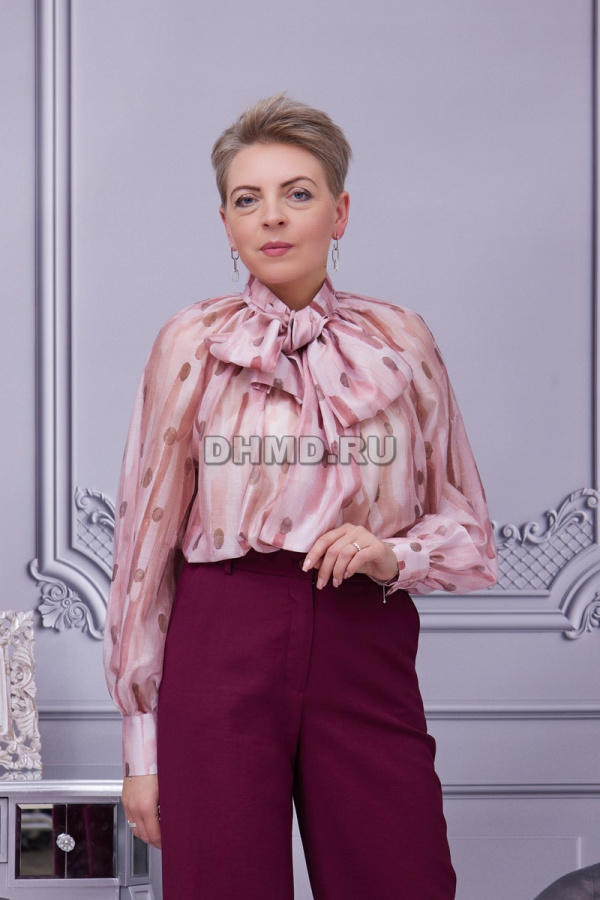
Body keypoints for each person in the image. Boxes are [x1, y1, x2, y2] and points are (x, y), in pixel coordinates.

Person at [104, 94, 498, 899]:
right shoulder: (191, 342)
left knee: (402, 878)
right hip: (222, 634)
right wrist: (142, 750)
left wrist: (394, 552)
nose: (273, 217)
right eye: (248, 199)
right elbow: (144, 545)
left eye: (298, 193)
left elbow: (468, 526)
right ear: (226, 223)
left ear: (339, 211)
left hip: (364, 633)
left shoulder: (401, 339)